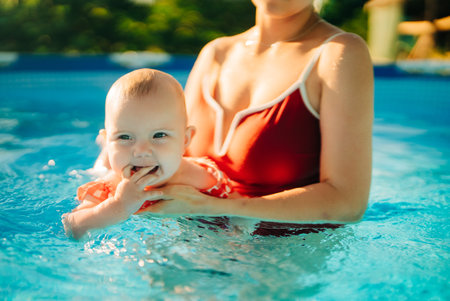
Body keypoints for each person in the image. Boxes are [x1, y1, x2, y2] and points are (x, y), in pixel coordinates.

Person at [144, 0, 374, 233]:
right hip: (190, 239)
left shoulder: (338, 52)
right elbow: (172, 155)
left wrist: (217, 207)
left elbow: (348, 203)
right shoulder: (215, 53)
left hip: (281, 253)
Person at [62, 69, 232, 239]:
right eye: (125, 136)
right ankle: (105, 152)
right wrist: (119, 206)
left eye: (159, 135)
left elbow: (235, 204)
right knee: (100, 170)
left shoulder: (203, 177)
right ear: (110, 140)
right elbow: (73, 226)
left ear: (185, 140)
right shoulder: (109, 189)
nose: (141, 151)